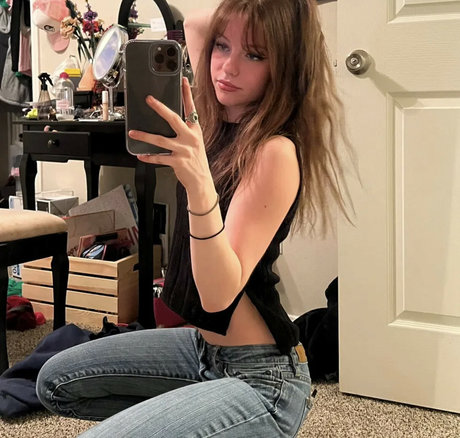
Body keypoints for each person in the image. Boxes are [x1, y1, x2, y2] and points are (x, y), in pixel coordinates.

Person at [36, 0, 352, 436]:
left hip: (263, 380)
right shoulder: (215, 116)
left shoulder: (274, 152)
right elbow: (202, 23)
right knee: (54, 382)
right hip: (203, 351)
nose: (228, 68)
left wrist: (200, 187)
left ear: (287, 65)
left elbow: (218, 297)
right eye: (222, 46)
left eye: (255, 55)